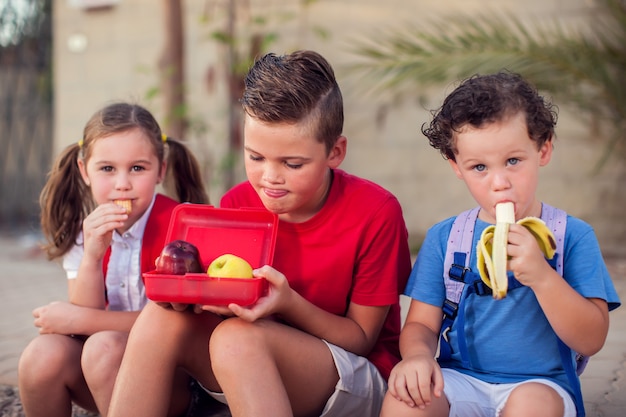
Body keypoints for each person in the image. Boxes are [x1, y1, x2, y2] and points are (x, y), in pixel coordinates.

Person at [106, 50, 412, 417]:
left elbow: (361, 339)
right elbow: (228, 312)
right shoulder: (237, 203)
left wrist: (287, 303)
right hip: (249, 362)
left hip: (353, 375)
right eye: (255, 157)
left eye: (292, 163)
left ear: (335, 152)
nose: (270, 177)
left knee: (237, 340)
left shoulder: (375, 212)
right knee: (161, 316)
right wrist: (190, 295)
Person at [380, 72, 621, 417]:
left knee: (530, 406)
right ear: (456, 167)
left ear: (544, 149)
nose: (499, 183)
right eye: (479, 167)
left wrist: (542, 276)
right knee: (404, 403)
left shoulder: (572, 236)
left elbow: (592, 338)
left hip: (541, 385)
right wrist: (417, 357)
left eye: (513, 161)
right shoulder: (445, 239)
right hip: (460, 379)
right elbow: (421, 324)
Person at [18, 102, 209, 417]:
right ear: (85, 172)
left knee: (102, 347)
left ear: (160, 170)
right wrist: (92, 255)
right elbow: (82, 327)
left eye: (137, 168)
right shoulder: (87, 232)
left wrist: (79, 320)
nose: (123, 183)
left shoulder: (180, 230)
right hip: (105, 368)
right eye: (107, 168)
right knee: (41, 355)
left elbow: (178, 326)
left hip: (176, 379)